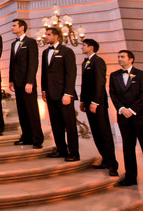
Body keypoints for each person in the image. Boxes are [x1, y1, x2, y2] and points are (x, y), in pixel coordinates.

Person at [109, 50, 143, 191]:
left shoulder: (142, 74)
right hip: (123, 118)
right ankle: (131, 178)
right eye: (118, 57)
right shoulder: (114, 75)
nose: (119, 59)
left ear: (131, 59)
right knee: (128, 149)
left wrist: (132, 110)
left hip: (141, 118)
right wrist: (121, 109)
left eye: (122, 57)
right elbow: (113, 94)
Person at [79, 39, 118, 176]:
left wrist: (95, 102)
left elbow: (100, 83)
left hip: (98, 103)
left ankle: (113, 164)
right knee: (96, 132)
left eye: (83, 45)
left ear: (91, 47)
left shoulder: (98, 61)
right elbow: (85, 84)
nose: (81, 47)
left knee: (104, 133)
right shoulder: (85, 62)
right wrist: (83, 101)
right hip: (88, 102)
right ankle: (105, 159)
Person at [41, 27, 79, 161]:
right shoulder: (45, 53)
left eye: (49, 35)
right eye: (46, 35)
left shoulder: (67, 52)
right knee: (56, 124)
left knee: (69, 124)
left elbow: (71, 74)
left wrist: (68, 93)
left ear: (56, 36)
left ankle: (74, 153)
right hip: (51, 94)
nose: (46, 37)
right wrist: (44, 90)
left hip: (64, 95)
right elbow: (45, 73)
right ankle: (61, 150)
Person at [9, 19, 43, 148]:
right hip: (17, 82)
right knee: (22, 110)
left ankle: (37, 138)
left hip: (27, 83)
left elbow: (33, 63)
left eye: (14, 26)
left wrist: (30, 82)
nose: (12, 28)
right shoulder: (13, 44)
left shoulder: (31, 42)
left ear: (22, 27)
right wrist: (11, 80)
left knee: (31, 110)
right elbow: (12, 63)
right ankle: (26, 136)